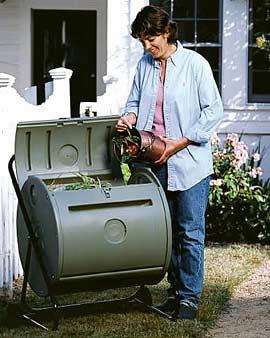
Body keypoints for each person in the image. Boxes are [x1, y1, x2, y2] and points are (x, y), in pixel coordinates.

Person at [116, 5, 223, 320]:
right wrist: (129, 117)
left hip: (189, 160)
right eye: (142, 41)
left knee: (190, 230)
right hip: (155, 158)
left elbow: (213, 110)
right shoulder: (144, 65)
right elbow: (134, 100)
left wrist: (181, 142)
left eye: (151, 39)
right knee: (168, 231)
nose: (147, 46)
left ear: (166, 32)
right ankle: (175, 293)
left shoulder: (195, 64)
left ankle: (189, 298)